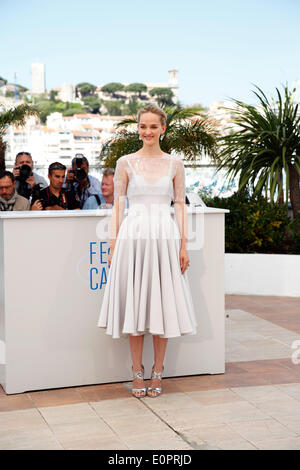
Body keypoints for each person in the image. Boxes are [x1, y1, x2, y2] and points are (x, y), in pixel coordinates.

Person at [98, 105, 197, 398]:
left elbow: (180, 204)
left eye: (154, 127)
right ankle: (137, 371)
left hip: (165, 238)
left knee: (163, 305)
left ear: (163, 129)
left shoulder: (175, 164)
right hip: (134, 237)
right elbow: (118, 204)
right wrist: (113, 242)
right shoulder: (124, 162)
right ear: (137, 128)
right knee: (136, 304)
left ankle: (158, 371)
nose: (148, 132)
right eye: (143, 126)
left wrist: (183, 245)